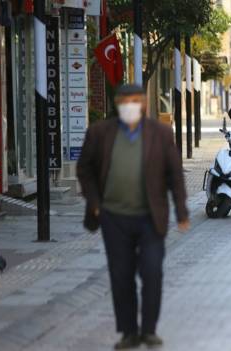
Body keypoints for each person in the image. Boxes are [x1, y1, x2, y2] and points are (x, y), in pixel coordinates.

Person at [77, 84, 190, 350]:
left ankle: (148, 330)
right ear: (117, 104)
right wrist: (94, 203)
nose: (130, 105)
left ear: (144, 104)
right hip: (114, 217)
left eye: (136, 100)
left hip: (150, 217)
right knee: (121, 274)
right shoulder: (100, 133)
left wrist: (182, 212)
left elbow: (175, 174)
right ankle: (129, 332)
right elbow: (85, 169)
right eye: (125, 100)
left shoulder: (161, 134)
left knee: (152, 271)